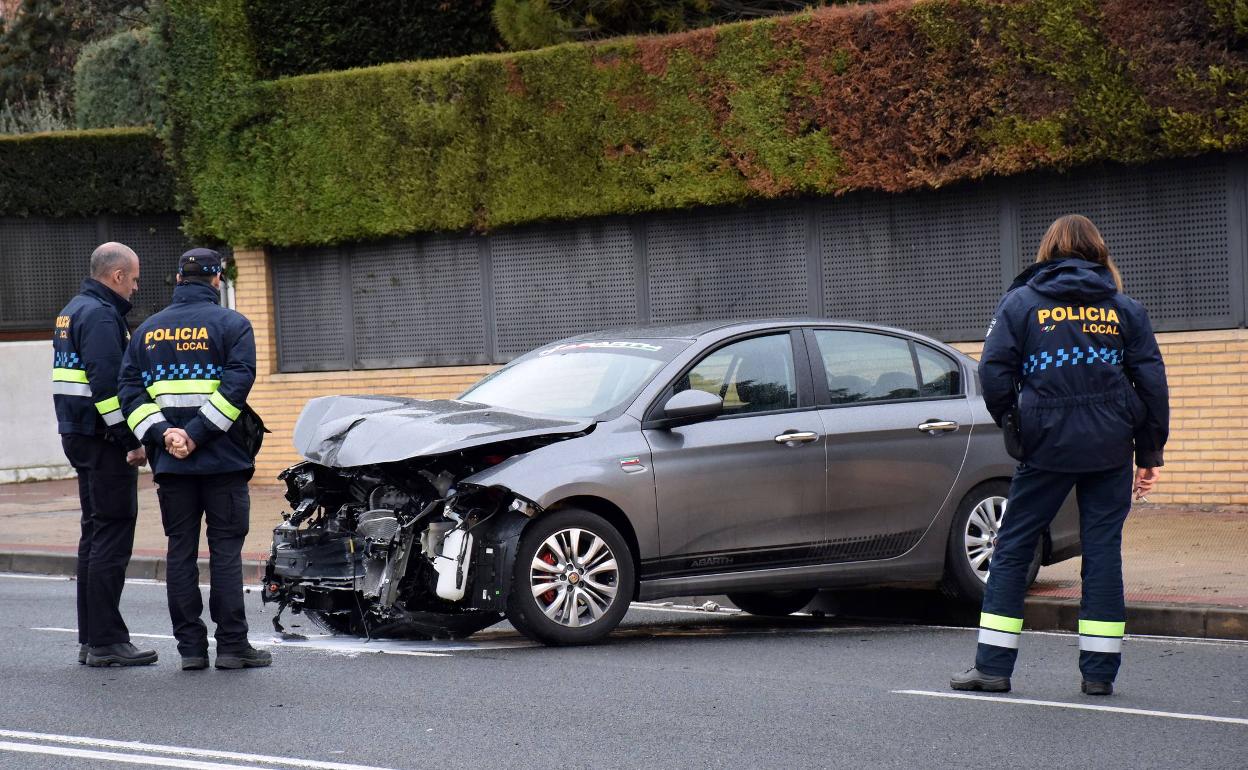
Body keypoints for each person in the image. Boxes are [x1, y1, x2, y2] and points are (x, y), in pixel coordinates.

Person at [951, 214, 1169, 696]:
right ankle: (1098, 676)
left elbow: (993, 373)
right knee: (1103, 551)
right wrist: (1149, 450)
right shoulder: (1124, 309)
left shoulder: (1021, 304)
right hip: (1111, 445)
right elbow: (1151, 381)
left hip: (1045, 445)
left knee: (1012, 549)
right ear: (1098, 252)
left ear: (1048, 251)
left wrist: (1016, 424)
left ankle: (992, 668)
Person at [118, 248, 271, 671]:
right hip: (223, 461)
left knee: (180, 552)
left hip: (171, 464)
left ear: (179, 279)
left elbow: (129, 392)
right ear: (216, 278)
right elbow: (238, 383)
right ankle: (233, 648)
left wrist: (164, 434)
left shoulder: (146, 330)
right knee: (225, 552)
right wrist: (196, 434)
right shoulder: (233, 325)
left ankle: (190, 650)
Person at [53, 242, 159, 667]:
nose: (135, 288)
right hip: (101, 440)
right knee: (112, 533)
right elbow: (107, 388)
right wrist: (129, 440)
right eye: (133, 279)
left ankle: (92, 636)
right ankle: (106, 641)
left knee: (94, 534)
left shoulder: (73, 309)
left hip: (80, 434)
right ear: (117, 276)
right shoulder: (99, 316)